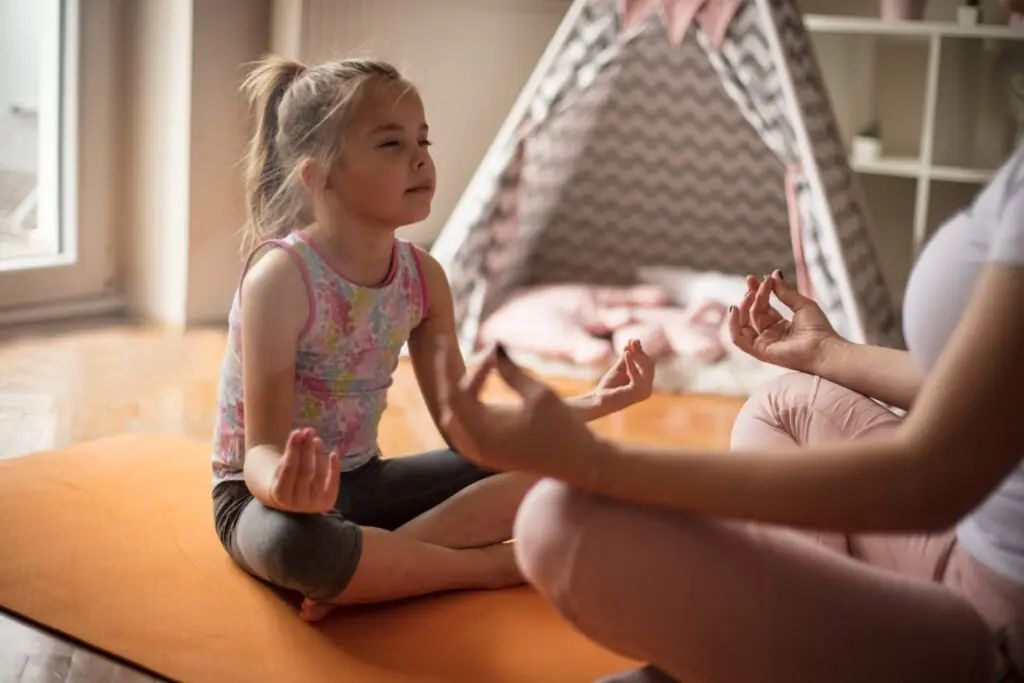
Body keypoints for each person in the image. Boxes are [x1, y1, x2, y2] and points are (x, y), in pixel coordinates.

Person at [432, 134, 1024, 682]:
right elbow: (986, 389)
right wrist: (826, 353)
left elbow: (930, 479)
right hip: (966, 539)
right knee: (781, 402)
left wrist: (594, 462)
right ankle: (814, 635)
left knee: (555, 521)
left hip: (1002, 613)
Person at [209, 54, 656, 622]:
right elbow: (259, 457)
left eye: (423, 140)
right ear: (318, 173)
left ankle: (374, 567)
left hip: (364, 484)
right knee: (304, 547)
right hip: (262, 502)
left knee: (558, 472)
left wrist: (597, 402)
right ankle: (489, 569)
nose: (421, 157)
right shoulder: (280, 278)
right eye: (391, 144)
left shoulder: (424, 278)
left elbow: (470, 431)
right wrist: (287, 489)